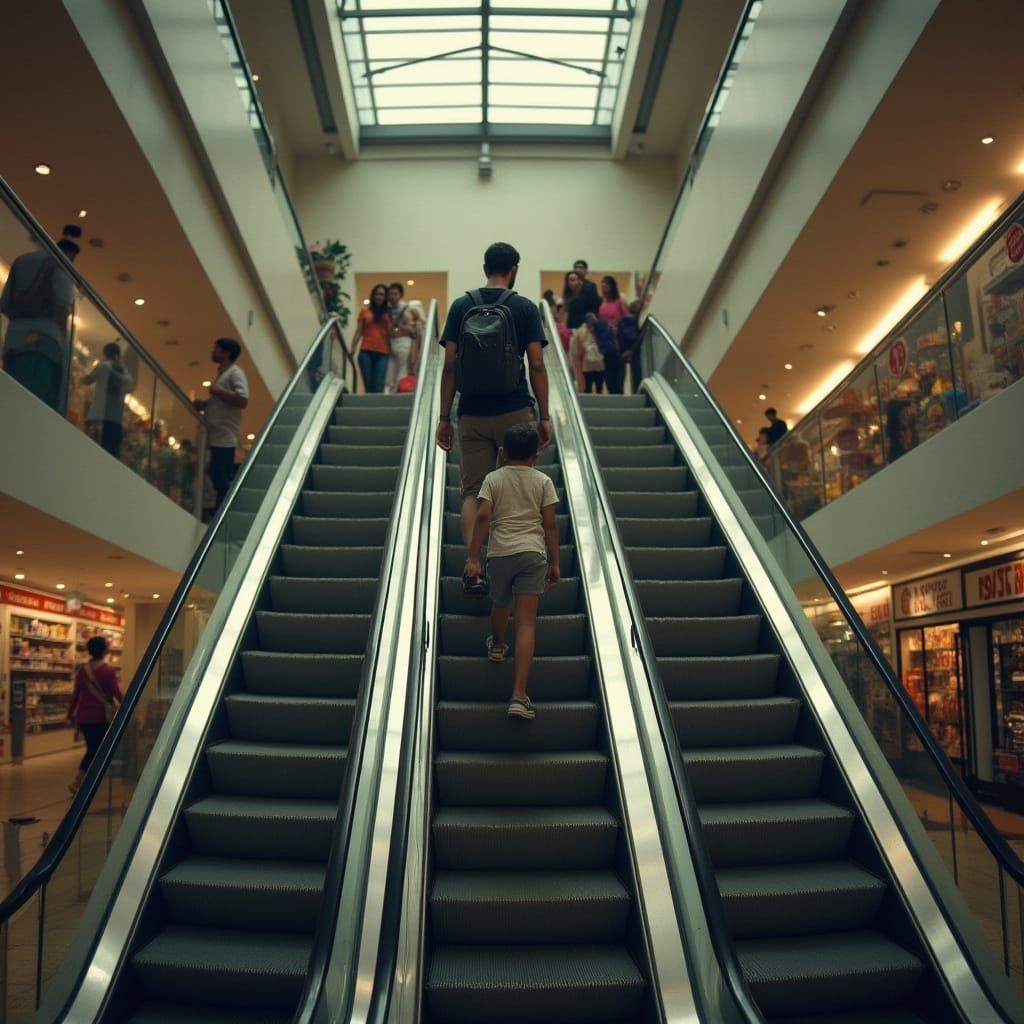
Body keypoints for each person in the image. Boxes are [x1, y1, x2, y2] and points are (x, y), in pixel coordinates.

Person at [435, 241, 551, 574]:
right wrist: (544, 416)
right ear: (514, 269)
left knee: (472, 491)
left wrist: (445, 417)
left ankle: (474, 564)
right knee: (519, 485)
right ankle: (515, 563)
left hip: (471, 412)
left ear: (485, 268)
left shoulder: (461, 306)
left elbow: (449, 367)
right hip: (515, 409)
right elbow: (539, 365)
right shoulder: (525, 308)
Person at [464, 423, 560, 720]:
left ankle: (497, 645)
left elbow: (482, 516)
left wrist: (473, 557)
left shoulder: (492, 479)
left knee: (500, 603)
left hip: (501, 553)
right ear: (536, 455)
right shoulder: (543, 481)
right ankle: (519, 695)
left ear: (502, 453)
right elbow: (551, 525)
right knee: (526, 622)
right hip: (533, 554)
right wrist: (555, 562)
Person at [0, 235, 79, 414]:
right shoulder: (61, 267)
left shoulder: (20, 261)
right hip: (45, 343)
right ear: (68, 254)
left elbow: (4, 305)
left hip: (13, 340)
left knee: (8, 400)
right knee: (34, 407)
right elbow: (63, 309)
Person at [195, 337, 249, 509]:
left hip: (225, 436)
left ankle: (225, 511)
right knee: (215, 474)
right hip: (216, 434)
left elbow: (242, 400)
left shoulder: (235, 373)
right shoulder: (223, 374)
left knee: (221, 477)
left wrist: (219, 391)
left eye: (216, 348)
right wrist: (206, 403)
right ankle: (220, 509)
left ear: (226, 353)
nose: (213, 351)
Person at [67, 635, 124, 793]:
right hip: (100, 716)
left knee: (93, 748)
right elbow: (116, 693)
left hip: (83, 717)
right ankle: (78, 780)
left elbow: (76, 695)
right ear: (105, 650)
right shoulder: (108, 671)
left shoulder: (81, 671)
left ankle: (88, 779)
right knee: (95, 749)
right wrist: (127, 705)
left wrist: (70, 714)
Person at [84, 342, 134, 458]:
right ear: (118, 355)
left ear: (106, 354)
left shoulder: (103, 366)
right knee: (110, 456)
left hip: (98, 416)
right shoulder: (126, 375)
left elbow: (87, 380)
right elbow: (130, 388)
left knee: (92, 452)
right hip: (116, 421)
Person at [352, 283, 392, 394]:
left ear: (385, 297)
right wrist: (353, 347)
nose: (378, 296)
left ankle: (380, 410)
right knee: (368, 385)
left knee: (379, 385)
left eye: (382, 294)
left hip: (383, 352)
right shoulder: (364, 312)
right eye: (376, 294)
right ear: (372, 296)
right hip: (366, 351)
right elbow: (358, 332)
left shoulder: (388, 313)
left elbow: (390, 334)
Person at [598, 275, 630, 395]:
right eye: (602, 283)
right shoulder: (602, 303)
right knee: (608, 374)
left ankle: (620, 396)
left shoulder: (619, 301)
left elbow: (628, 319)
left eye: (606, 283)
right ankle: (612, 394)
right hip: (606, 342)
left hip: (619, 341)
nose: (604, 285)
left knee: (619, 374)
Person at [386, 297, 422, 392]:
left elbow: (413, 334)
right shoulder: (398, 318)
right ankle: (393, 389)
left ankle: (399, 389)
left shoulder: (415, 324)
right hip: (394, 344)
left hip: (405, 345)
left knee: (402, 368)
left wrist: (399, 326)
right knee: (392, 370)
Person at [571, 313, 606, 393]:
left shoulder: (599, 329)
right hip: (588, 363)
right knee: (588, 386)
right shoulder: (582, 331)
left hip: (598, 363)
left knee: (598, 386)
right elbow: (578, 347)